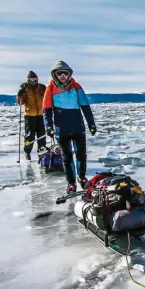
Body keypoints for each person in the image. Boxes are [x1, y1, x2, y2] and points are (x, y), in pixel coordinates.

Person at [43, 61, 97, 193]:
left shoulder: (76, 87)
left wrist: (91, 124)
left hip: (77, 127)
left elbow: (85, 106)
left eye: (65, 73)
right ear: (54, 74)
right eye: (59, 73)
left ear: (69, 74)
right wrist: (48, 127)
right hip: (61, 130)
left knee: (81, 155)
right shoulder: (50, 88)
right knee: (66, 157)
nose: (62, 75)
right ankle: (71, 182)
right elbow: (46, 110)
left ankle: (82, 177)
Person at [17, 71, 46, 160]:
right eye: (31, 80)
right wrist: (20, 94)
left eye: (34, 80)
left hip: (41, 115)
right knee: (29, 136)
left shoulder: (41, 87)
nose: (33, 82)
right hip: (29, 116)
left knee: (42, 135)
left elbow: (47, 98)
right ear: (28, 80)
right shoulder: (25, 88)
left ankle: (42, 152)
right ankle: (27, 151)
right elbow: (20, 102)